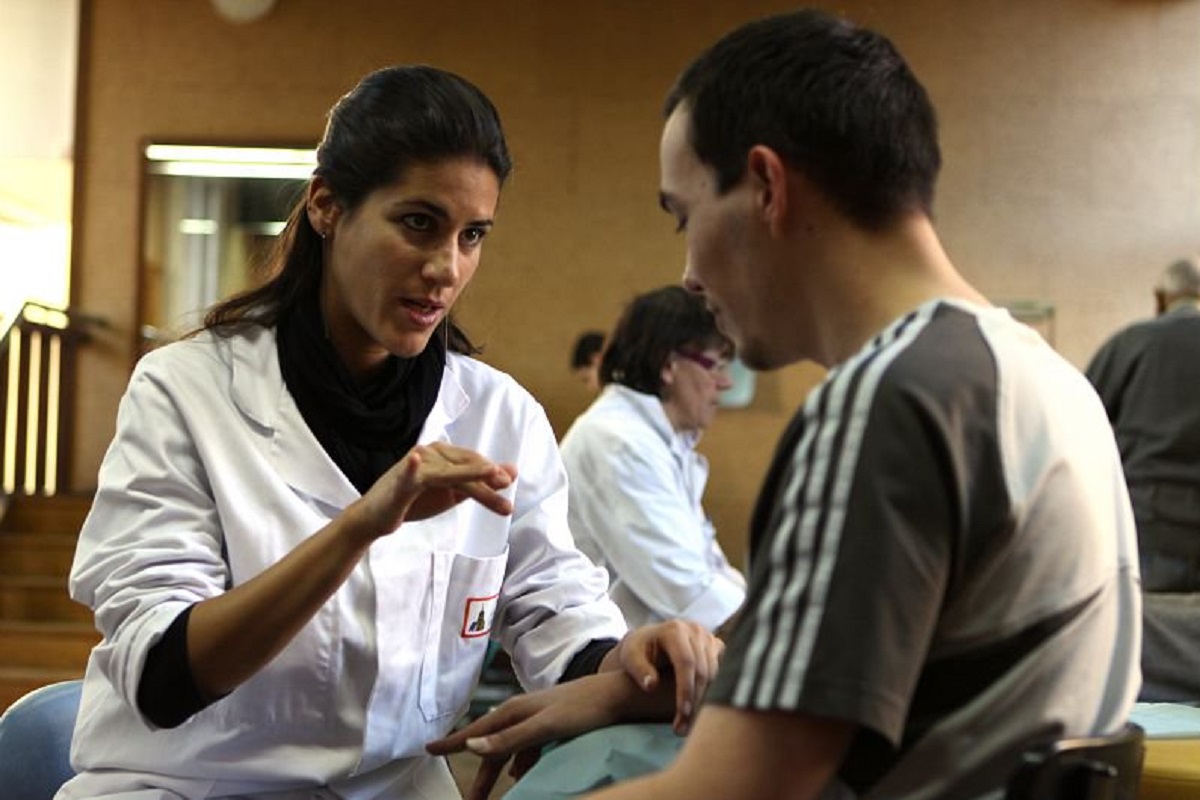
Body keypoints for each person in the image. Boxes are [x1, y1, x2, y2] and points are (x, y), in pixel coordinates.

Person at [431, 10, 1141, 799]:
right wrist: (616, 686)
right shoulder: (1043, 381)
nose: (691, 274)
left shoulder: (887, 404)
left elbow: (738, 788)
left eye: (684, 216)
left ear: (767, 186)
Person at [58, 65, 719, 800]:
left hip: (396, 788)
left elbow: (553, 609)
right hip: (190, 788)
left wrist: (634, 656)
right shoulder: (185, 391)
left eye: (473, 236)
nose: (447, 268)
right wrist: (360, 526)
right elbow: (164, 677)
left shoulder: (499, 416)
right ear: (327, 208)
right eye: (418, 224)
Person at [559, 286, 745, 632]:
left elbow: (711, 567)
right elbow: (688, 591)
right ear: (669, 365)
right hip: (610, 660)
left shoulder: (658, 442)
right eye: (716, 365)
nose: (725, 382)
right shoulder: (617, 440)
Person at [1085, 256, 1200, 702]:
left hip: (1146, 527)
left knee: (1137, 653)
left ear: (1159, 298)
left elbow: (1082, 428)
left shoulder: (1131, 343)